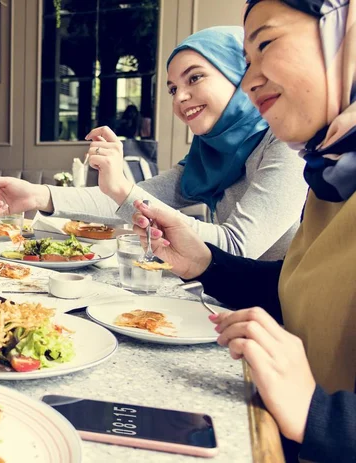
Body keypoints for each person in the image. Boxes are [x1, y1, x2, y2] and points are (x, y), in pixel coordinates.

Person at [131, 1, 356, 461]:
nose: (249, 82)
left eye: (266, 44)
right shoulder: (331, 170)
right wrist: (207, 264)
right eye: (246, 61)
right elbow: (306, 292)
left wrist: (324, 418)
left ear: (346, 39)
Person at [0, 26, 308, 260]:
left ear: (241, 75)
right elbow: (124, 202)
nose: (180, 97)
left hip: (283, 322)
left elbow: (238, 245)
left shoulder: (287, 144)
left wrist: (125, 189)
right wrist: (38, 195)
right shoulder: (207, 154)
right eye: (171, 88)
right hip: (232, 303)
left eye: (194, 78)